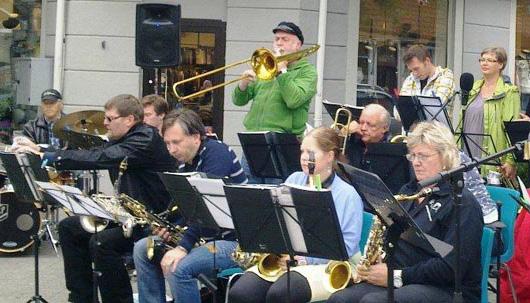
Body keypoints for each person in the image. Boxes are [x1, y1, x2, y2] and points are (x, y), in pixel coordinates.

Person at [14, 94, 176, 303]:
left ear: (129, 119)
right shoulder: (125, 138)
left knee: (102, 243)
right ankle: (81, 298)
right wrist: (42, 150)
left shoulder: (145, 139)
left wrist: (50, 157)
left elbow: (101, 157)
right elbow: (93, 152)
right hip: (128, 215)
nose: (105, 123)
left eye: (110, 119)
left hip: (152, 221)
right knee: (69, 227)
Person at [328, 121, 483, 303]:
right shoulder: (409, 191)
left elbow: (450, 268)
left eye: (423, 156)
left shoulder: (462, 203)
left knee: (372, 302)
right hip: (404, 279)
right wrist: (378, 261)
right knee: (340, 299)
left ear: (445, 157)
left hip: (445, 289)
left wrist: (397, 275)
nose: (416, 163)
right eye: (413, 156)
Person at [228, 127, 364, 303]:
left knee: (281, 294)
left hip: (329, 264)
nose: (305, 157)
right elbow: (277, 222)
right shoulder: (294, 180)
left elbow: (348, 245)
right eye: (302, 152)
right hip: (289, 258)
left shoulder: (347, 194)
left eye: (311, 152)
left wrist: (305, 260)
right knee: (242, 292)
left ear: (330, 156)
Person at [133, 108, 247, 303]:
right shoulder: (186, 162)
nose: (171, 150)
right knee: (142, 248)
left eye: (176, 142)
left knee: (179, 267)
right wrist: (169, 226)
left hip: (235, 242)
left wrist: (183, 246)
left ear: (196, 137)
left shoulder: (217, 154)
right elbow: (187, 210)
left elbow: (206, 211)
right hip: (206, 237)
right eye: (167, 143)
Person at [232, 21, 317, 182]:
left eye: (285, 39)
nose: (279, 43)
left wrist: (281, 73)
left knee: (278, 195)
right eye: (276, 39)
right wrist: (242, 84)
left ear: (298, 44)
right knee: (250, 193)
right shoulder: (267, 66)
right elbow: (238, 101)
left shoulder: (308, 72)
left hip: (282, 140)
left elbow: (294, 100)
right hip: (253, 139)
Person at [457, 47, 520, 180]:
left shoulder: (509, 92)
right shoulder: (472, 88)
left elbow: (512, 129)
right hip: (466, 153)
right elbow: (461, 122)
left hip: (492, 156)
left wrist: (510, 160)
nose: (484, 63)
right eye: (482, 60)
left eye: (490, 60)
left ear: (500, 65)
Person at [400, 44, 456, 117]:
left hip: (435, 128)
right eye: (411, 70)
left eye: (416, 69)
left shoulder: (445, 76)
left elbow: (435, 107)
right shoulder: (410, 79)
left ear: (427, 61)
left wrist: (409, 109)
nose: (414, 73)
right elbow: (398, 111)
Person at [344, 103, 391, 169]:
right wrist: (344, 132)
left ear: (385, 128)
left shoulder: (391, 151)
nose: (363, 128)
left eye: (370, 125)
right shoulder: (353, 139)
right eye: (361, 123)